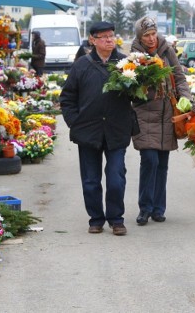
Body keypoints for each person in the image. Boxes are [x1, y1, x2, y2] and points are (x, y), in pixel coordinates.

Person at [59, 21, 137, 236]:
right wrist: (75, 121)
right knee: (91, 180)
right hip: (88, 131)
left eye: (112, 36)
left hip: (117, 129)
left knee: (116, 178)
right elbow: (67, 98)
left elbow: (137, 96)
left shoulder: (125, 63)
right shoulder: (81, 65)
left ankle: (116, 219)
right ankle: (95, 218)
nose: (109, 40)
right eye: (103, 37)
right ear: (92, 40)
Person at [130, 16, 191, 225]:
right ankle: (144, 208)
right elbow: (130, 87)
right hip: (145, 114)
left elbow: (179, 77)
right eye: (146, 35)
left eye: (153, 33)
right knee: (150, 160)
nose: (151, 38)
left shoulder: (166, 50)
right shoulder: (133, 56)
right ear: (140, 36)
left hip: (166, 115)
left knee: (162, 164)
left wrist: (187, 99)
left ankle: (158, 208)